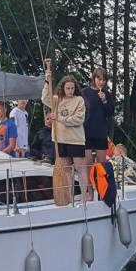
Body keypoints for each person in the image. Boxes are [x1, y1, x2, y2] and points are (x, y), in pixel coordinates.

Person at [41, 69, 88, 201]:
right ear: (63, 88)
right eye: (68, 88)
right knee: (67, 169)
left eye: (72, 88)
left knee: (80, 168)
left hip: (76, 139)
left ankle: (84, 197)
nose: (70, 90)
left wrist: (59, 118)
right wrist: (47, 81)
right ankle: (70, 196)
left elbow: (78, 119)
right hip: (61, 139)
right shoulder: (57, 99)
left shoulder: (79, 100)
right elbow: (45, 98)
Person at [82, 67, 116, 198]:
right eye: (99, 79)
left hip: (101, 131)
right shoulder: (85, 92)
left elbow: (110, 113)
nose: (101, 82)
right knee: (88, 163)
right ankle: (90, 193)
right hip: (86, 131)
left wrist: (104, 101)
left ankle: (102, 192)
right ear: (94, 79)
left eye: (103, 80)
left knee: (102, 165)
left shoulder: (107, 94)